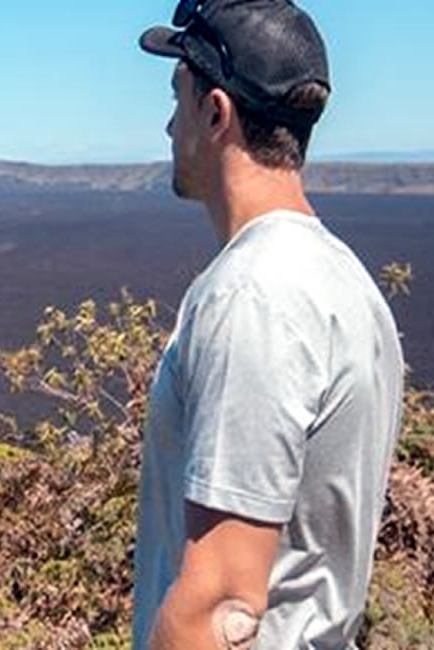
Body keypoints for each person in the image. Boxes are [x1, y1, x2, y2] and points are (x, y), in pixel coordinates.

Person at [133, 1, 405, 648]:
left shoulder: (256, 296)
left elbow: (222, 604)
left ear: (216, 112)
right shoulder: (344, 282)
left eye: (179, 97)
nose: (169, 125)